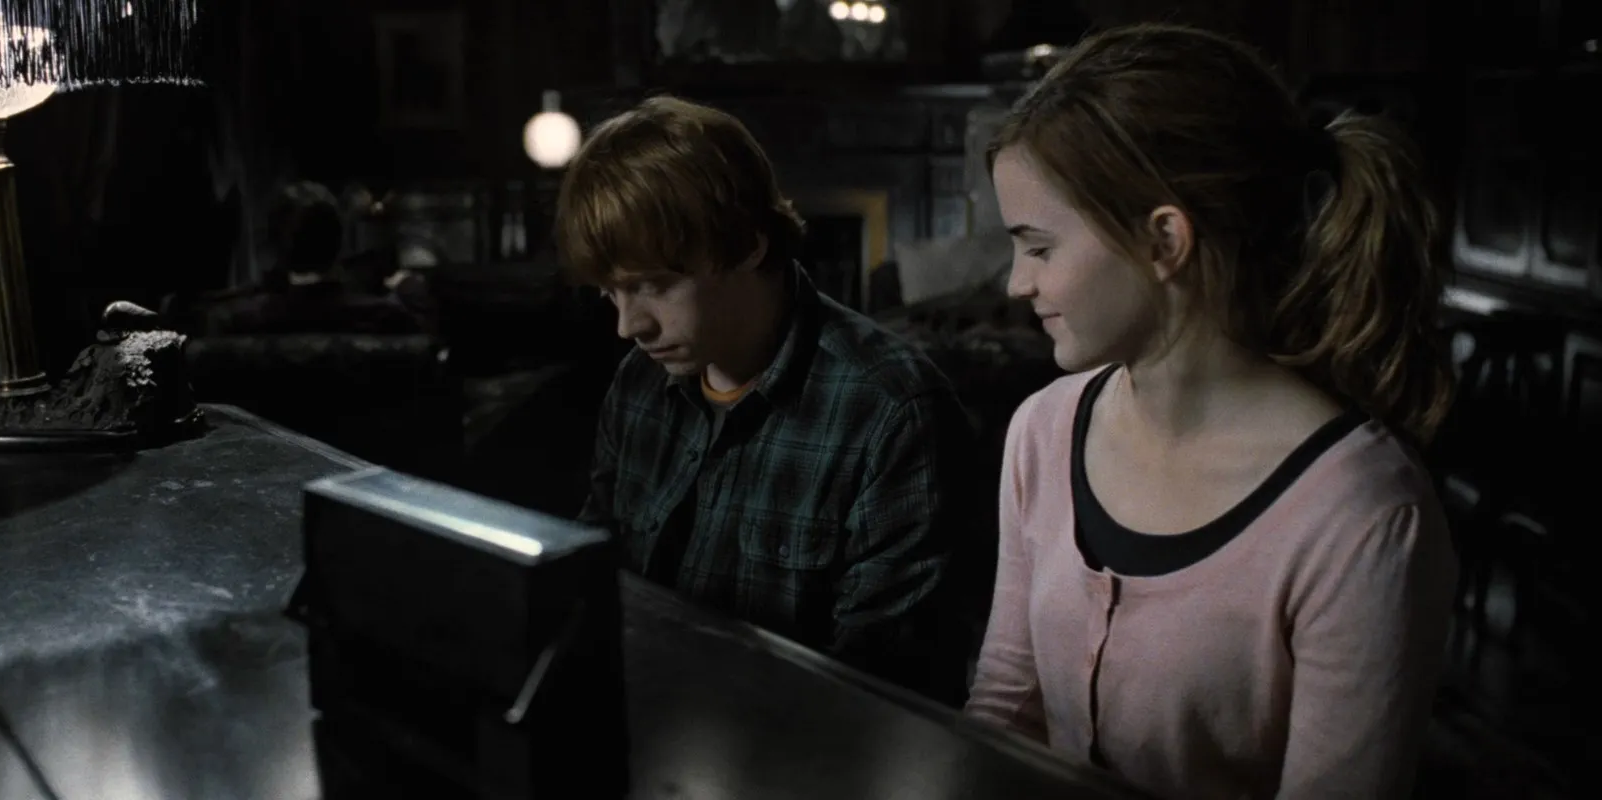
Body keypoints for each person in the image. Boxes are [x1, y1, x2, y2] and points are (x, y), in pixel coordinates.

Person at [963, 23, 1459, 799]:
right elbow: (1006, 701)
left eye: (1040, 247)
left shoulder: (1362, 519)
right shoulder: (1042, 430)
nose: (1015, 283)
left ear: (1163, 240)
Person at [562, 95, 987, 699]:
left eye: (654, 286)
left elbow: (887, 692)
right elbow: (593, 578)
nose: (629, 326)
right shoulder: (639, 382)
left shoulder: (892, 412)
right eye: (611, 293)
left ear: (749, 243)